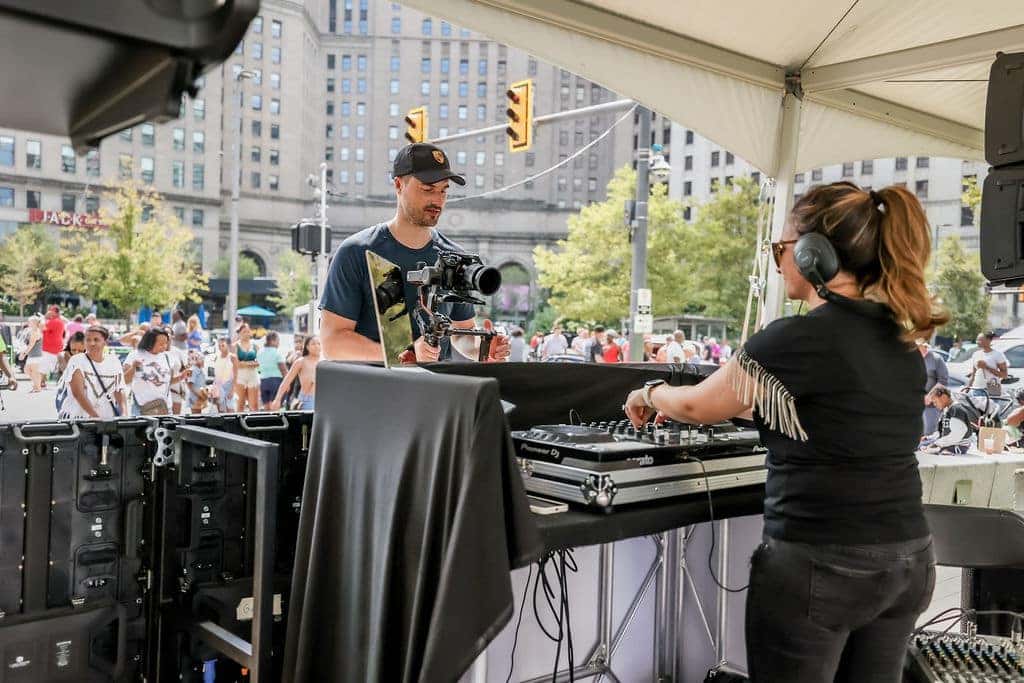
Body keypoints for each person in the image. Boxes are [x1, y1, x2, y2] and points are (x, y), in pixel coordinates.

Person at [623, 182, 943, 681]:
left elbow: (694, 404)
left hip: (823, 562)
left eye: (782, 249)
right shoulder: (900, 340)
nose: (778, 261)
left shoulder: (798, 337)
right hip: (907, 560)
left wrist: (648, 394)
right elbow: (832, 417)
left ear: (815, 254)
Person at [318, 142, 509, 363]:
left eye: (443, 190)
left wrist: (483, 348)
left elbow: (460, 334)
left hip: (435, 394)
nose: (437, 200)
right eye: (428, 189)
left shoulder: (455, 259)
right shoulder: (357, 252)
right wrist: (403, 353)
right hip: (372, 393)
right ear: (398, 185)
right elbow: (333, 343)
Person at [58, 326, 126, 419]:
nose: (91, 343)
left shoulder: (114, 362)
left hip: (106, 419)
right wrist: (95, 417)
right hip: (79, 418)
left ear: (105, 342)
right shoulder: (77, 360)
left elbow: (119, 389)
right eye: (88, 340)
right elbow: (78, 393)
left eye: (96, 340)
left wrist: (124, 413)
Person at [922, 384, 999, 454]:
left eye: (935, 402)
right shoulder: (947, 410)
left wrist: (937, 443)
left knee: (929, 450)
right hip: (948, 443)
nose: (935, 405)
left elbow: (957, 434)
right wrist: (929, 438)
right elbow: (943, 431)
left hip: (958, 446)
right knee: (921, 445)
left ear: (944, 397)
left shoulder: (956, 410)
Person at [124, 328, 174, 415]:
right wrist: (133, 367)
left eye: (166, 343)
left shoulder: (167, 357)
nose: (164, 346)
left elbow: (169, 382)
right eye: (161, 343)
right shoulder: (135, 355)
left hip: (164, 408)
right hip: (142, 409)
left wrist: (182, 376)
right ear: (150, 342)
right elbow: (124, 380)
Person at [271, 336, 321, 410]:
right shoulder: (301, 362)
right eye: (313, 344)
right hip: (307, 401)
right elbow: (286, 381)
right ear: (307, 346)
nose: (317, 346)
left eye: (319, 344)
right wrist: (277, 399)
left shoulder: (324, 361)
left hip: (323, 400)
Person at [918, 339, 949, 436]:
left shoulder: (936, 359)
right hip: (915, 404)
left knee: (928, 434)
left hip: (931, 405)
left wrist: (929, 396)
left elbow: (943, 381)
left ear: (924, 345)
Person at [968, 331, 1007, 397]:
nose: (977, 341)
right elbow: (973, 374)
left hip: (993, 388)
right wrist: (968, 388)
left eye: (980, 340)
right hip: (977, 389)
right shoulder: (976, 354)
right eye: (977, 339)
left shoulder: (997, 355)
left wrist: (986, 367)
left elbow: (1004, 375)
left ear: (988, 340)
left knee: (992, 407)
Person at [233, 323, 261, 412]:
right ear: (239, 333)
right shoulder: (235, 346)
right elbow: (237, 364)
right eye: (244, 332)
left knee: (254, 406)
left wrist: (244, 363)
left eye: (248, 331)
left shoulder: (255, 345)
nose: (246, 334)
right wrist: (251, 363)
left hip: (253, 376)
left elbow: (259, 362)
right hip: (240, 377)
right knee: (240, 404)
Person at [257, 331, 288, 409]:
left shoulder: (260, 352)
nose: (279, 343)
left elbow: (259, 369)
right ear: (272, 341)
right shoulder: (277, 352)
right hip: (276, 382)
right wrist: (288, 383)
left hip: (263, 381)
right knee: (275, 407)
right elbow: (283, 369)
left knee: (266, 407)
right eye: (278, 341)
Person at [41, 304, 66, 386]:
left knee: (45, 365)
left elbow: (42, 327)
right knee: (55, 365)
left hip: (50, 347)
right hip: (56, 346)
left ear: (55, 312)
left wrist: (44, 318)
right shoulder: (59, 321)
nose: (49, 312)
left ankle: (42, 381)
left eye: (51, 310)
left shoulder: (54, 321)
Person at [20, 316, 45, 392]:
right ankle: (37, 386)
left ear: (34, 323)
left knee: (30, 371)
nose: (28, 323)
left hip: (35, 355)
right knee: (31, 371)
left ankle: (37, 387)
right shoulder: (36, 331)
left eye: (29, 322)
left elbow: (31, 345)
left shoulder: (35, 332)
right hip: (35, 355)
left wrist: (24, 354)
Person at [212, 337, 235, 413]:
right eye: (219, 346)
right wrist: (214, 390)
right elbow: (216, 375)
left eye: (222, 345)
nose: (220, 348)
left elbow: (236, 375)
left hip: (229, 386)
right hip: (219, 387)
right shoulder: (216, 357)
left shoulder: (233, 357)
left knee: (231, 411)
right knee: (221, 412)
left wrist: (232, 390)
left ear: (228, 345)